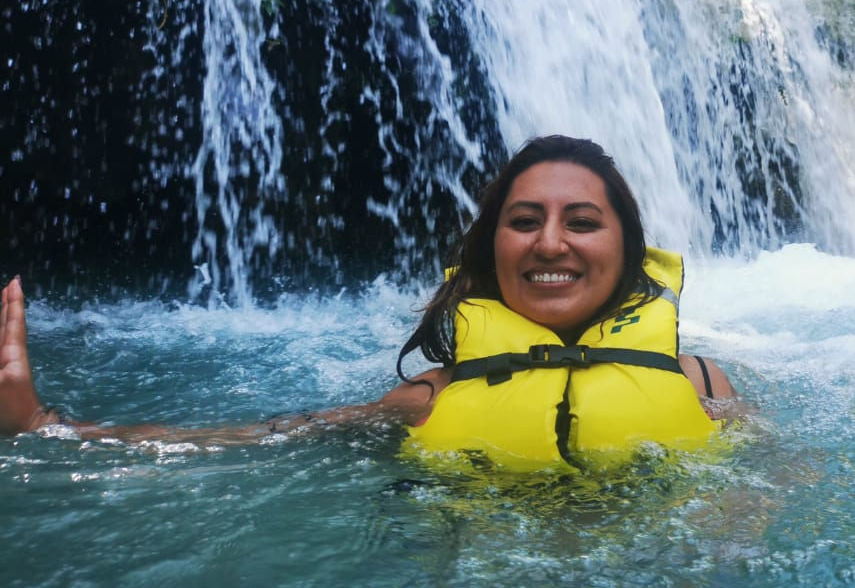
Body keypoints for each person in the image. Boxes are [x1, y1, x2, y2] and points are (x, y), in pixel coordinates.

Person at [1, 135, 737, 471]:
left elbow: (767, 490)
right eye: (522, 222)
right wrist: (48, 425)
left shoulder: (702, 384)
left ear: (628, 249)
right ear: (489, 253)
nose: (550, 243)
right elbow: (259, 438)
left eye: (582, 221)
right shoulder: (431, 397)